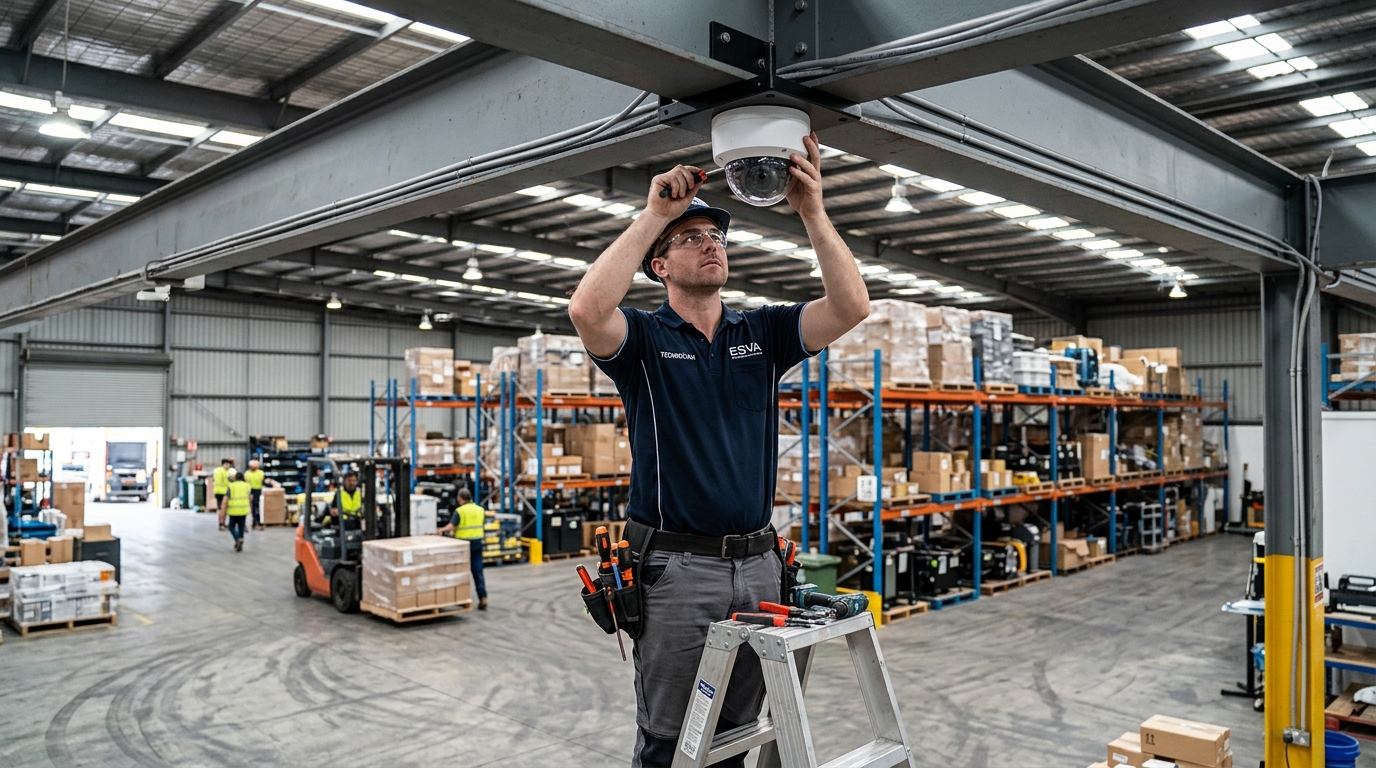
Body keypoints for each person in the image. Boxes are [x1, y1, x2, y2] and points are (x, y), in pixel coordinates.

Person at [567, 133, 869, 767]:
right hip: (677, 572)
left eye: (719, 238)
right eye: (692, 238)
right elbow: (588, 308)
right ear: (661, 265)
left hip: (760, 564)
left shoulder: (760, 332)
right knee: (669, 741)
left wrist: (812, 211)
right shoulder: (644, 341)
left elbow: (850, 305)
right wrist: (656, 214)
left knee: (734, 733)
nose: (712, 244)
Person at [436, 487, 489, 610]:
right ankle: (483, 597)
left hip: (463, 545)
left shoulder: (460, 511)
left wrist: (440, 530)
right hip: (477, 543)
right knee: (477, 571)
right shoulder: (480, 510)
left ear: (460, 498)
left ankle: (459, 597)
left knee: (459, 572)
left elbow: (451, 526)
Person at [243, 459, 280, 530]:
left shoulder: (261, 473)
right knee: (252, 508)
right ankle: (254, 523)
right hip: (250, 491)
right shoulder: (247, 474)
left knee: (255, 507)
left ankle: (256, 523)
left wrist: (272, 484)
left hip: (257, 491)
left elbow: (264, 482)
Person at [222, 468, 251, 552]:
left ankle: (237, 538)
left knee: (231, 526)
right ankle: (240, 539)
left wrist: (223, 509)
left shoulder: (231, 485)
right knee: (241, 526)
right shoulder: (247, 486)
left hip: (233, 510)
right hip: (243, 510)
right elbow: (250, 498)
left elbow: (226, 499)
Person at [212, 458, 234, 531]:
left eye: (229, 464)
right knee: (221, 509)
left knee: (225, 509)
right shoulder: (218, 471)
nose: (228, 466)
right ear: (223, 464)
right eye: (226, 464)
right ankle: (221, 524)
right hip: (220, 492)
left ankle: (223, 523)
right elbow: (224, 482)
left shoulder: (229, 471)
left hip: (227, 492)